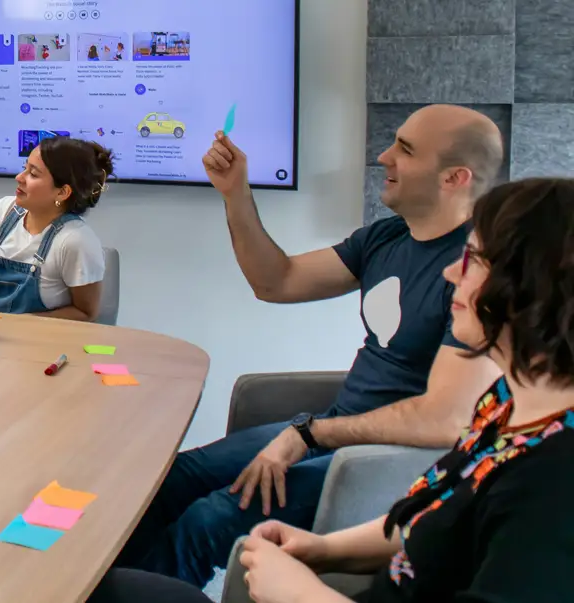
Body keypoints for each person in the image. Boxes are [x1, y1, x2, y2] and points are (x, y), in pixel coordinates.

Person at [90, 177, 574, 603]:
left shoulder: (552, 480)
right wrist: (326, 549)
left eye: (474, 261)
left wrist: (300, 593)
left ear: (536, 286)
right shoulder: (502, 406)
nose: (452, 273)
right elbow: (430, 517)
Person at [112, 104, 506, 586]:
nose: (383, 156)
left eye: (404, 150)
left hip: (386, 464)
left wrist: (308, 435)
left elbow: (447, 419)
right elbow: (276, 281)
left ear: (454, 178)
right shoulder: (386, 238)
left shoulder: (477, 273)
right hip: (334, 432)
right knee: (174, 478)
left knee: (209, 519)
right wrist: (236, 194)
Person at [0, 136, 112, 321]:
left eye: (33, 174)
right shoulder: (3, 211)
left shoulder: (75, 240)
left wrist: (17, 325)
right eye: (24, 168)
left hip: (35, 337)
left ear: (62, 192)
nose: (19, 178)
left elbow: (86, 313)